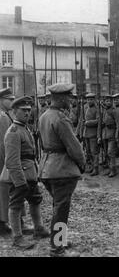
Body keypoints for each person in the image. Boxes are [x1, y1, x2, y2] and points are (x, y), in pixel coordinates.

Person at [38, 83, 85, 257]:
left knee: (58, 206)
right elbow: (74, 147)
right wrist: (81, 163)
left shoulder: (44, 116)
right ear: (62, 98)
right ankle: (57, 248)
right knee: (61, 209)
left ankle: (60, 239)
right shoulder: (61, 118)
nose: (71, 100)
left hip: (46, 169)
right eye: (69, 97)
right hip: (61, 170)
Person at [0, 96, 49, 249]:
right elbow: (12, 161)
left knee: (35, 200)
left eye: (29, 110)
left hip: (30, 174)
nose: (28, 113)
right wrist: (19, 182)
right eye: (24, 111)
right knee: (15, 206)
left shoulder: (24, 128)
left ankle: (38, 228)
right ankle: (17, 237)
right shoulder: (13, 131)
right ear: (14, 112)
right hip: (19, 176)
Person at [0, 88, 16, 236]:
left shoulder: (5, 115)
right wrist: (8, 162)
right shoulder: (3, 117)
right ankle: (3, 223)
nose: (12, 101)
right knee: (5, 191)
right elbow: (4, 142)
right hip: (3, 160)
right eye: (9, 99)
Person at [98, 95, 119, 177]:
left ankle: (113, 170)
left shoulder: (114, 111)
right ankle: (109, 169)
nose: (108, 102)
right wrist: (99, 136)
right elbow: (101, 123)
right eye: (107, 101)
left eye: (110, 101)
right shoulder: (103, 111)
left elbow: (118, 124)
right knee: (106, 152)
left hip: (112, 133)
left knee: (111, 152)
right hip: (104, 134)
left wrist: (117, 135)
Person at [82, 93, 100, 176]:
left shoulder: (97, 109)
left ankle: (96, 168)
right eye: (88, 99)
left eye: (91, 99)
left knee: (94, 152)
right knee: (88, 151)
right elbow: (82, 119)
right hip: (86, 133)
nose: (89, 101)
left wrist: (88, 123)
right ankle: (91, 166)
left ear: (94, 100)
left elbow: (98, 121)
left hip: (93, 133)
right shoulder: (85, 107)